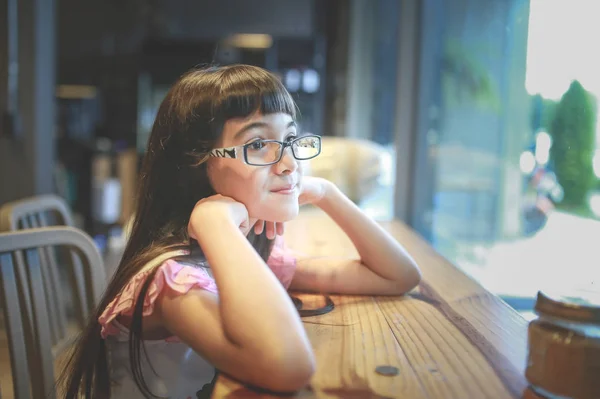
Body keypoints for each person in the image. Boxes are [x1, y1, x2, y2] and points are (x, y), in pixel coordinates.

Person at [59, 64, 421, 398]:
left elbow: (397, 276)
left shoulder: (240, 258)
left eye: (291, 139)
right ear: (195, 165)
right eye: (259, 144)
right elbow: (289, 367)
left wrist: (328, 193)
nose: (289, 163)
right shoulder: (172, 280)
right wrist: (216, 225)